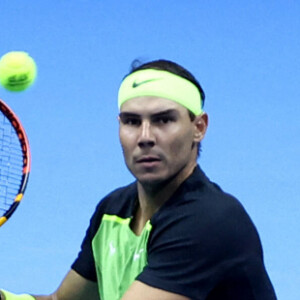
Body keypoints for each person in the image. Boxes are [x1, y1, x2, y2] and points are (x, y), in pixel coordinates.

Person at [1, 59, 277, 300]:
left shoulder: (211, 220)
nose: (145, 137)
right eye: (132, 122)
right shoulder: (113, 210)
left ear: (199, 128)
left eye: (163, 120)